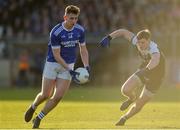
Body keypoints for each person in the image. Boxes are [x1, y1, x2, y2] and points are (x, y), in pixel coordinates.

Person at [24, 5, 90, 129]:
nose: (74, 21)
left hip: (69, 65)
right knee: (45, 95)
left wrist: (87, 66)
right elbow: (57, 55)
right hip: (53, 64)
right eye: (71, 18)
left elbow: (83, 50)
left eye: (76, 18)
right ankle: (33, 106)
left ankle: (38, 118)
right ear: (65, 17)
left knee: (58, 97)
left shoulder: (80, 30)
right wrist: (70, 70)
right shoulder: (56, 32)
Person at [99, 29, 165, 126]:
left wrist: (146, 70)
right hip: (145, 69)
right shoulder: (137, 41)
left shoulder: (153, 48)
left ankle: (124, 118)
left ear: (149, 41)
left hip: (156, 76)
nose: (140, 45)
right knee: (125, 90)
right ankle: (132, 98)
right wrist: (109, 37)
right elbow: (123, 32)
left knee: (140, 103)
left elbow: (155, 60)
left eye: (143, 42)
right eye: (138, 42)